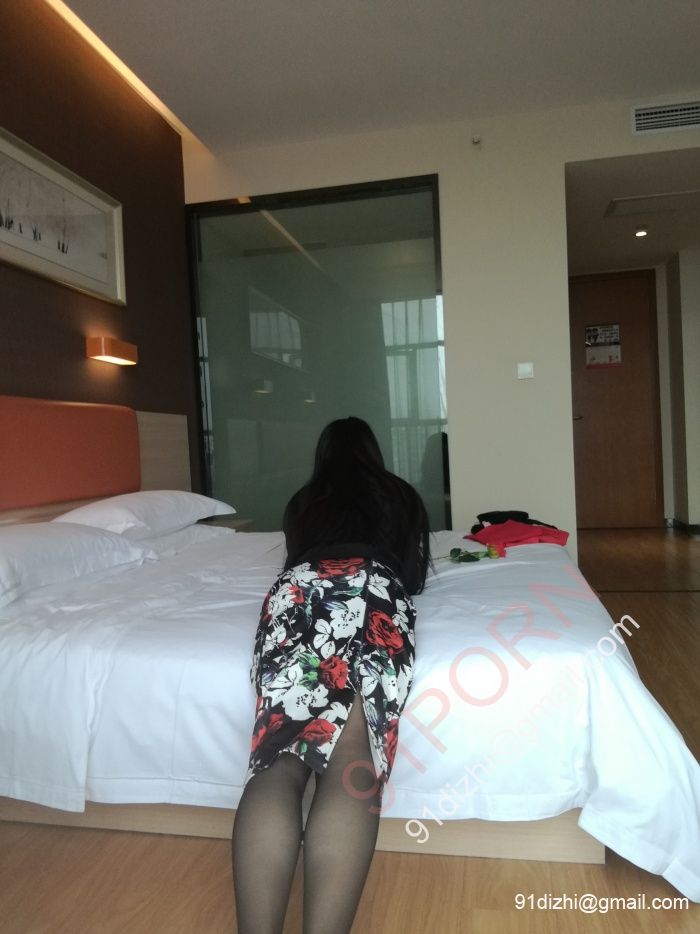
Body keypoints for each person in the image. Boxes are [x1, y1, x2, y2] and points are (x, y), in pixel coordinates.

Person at [232, 416, 430, 934]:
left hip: (294, 593)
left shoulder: (303, 501)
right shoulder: (401, 496)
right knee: (351, 756)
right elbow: (412, 576)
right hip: (370, 590)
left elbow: (299, 558)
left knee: (278, 759)